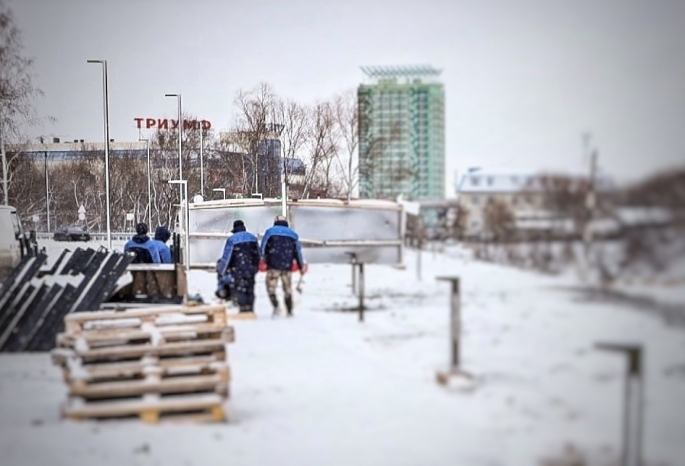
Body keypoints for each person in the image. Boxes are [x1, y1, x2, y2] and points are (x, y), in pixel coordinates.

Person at [260, 215, 307, 317]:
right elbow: (297, 252)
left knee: (270, 288)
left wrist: (262, 260)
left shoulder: (269, 232)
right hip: (287, 265)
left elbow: (262, 248)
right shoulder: (293, 235)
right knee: (287, 289)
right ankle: (289, 310)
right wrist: (301, 266)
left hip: (273, 265)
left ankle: (276, 306)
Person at [217, 220, 260, 313]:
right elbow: (257, 254)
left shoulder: (232, 239)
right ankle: (250, 307)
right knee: (250, 287)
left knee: (240, 288)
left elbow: (227, 257)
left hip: (237, 269)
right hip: (251, 267)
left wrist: (222, 271)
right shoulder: (253, 238)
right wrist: (256, 266)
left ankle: (243, 308)